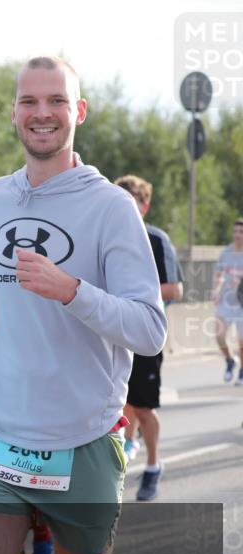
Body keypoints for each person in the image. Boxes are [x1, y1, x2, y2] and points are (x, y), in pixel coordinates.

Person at [0, 56, 166, 554]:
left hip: (81, 440)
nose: (41, 113)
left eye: (56, 101)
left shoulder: (111, 207)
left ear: (79, 112)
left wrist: (71, 291)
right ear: (14, 111)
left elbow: (150, 329)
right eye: (29, 101)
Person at [114, 175, 184, 501]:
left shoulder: (156, 239)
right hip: (109, 332)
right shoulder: (104, 234)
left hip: (143, 334)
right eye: (120, 196)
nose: (125, 203)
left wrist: (129, 296)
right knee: (116, 402)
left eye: (132, 198)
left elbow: (174, 289)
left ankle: (154, 465)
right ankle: (126, 446)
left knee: (142, 407)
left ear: (145, 205)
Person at [212, 219, 243, 384]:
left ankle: (242, 371)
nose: (237, 235)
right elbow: (219, 275)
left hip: (241, 304)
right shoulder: (226, 253)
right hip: (226, 301)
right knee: (219, 335)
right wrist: (216, 291)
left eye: (241, 232)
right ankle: (230, 360)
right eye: (235, 231)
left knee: (241, 341)